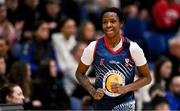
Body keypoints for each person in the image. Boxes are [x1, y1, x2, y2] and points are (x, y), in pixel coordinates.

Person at [75, 7, 152, 110]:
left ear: (121, 23)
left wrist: (125, 88)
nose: (108, 25)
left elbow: (147, 78)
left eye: (113, 21)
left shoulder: (133, 48)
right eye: (104, 22)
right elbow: (79, 73)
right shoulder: (93, 47)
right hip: (101, 105)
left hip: (125, 104)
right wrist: (92, 91)